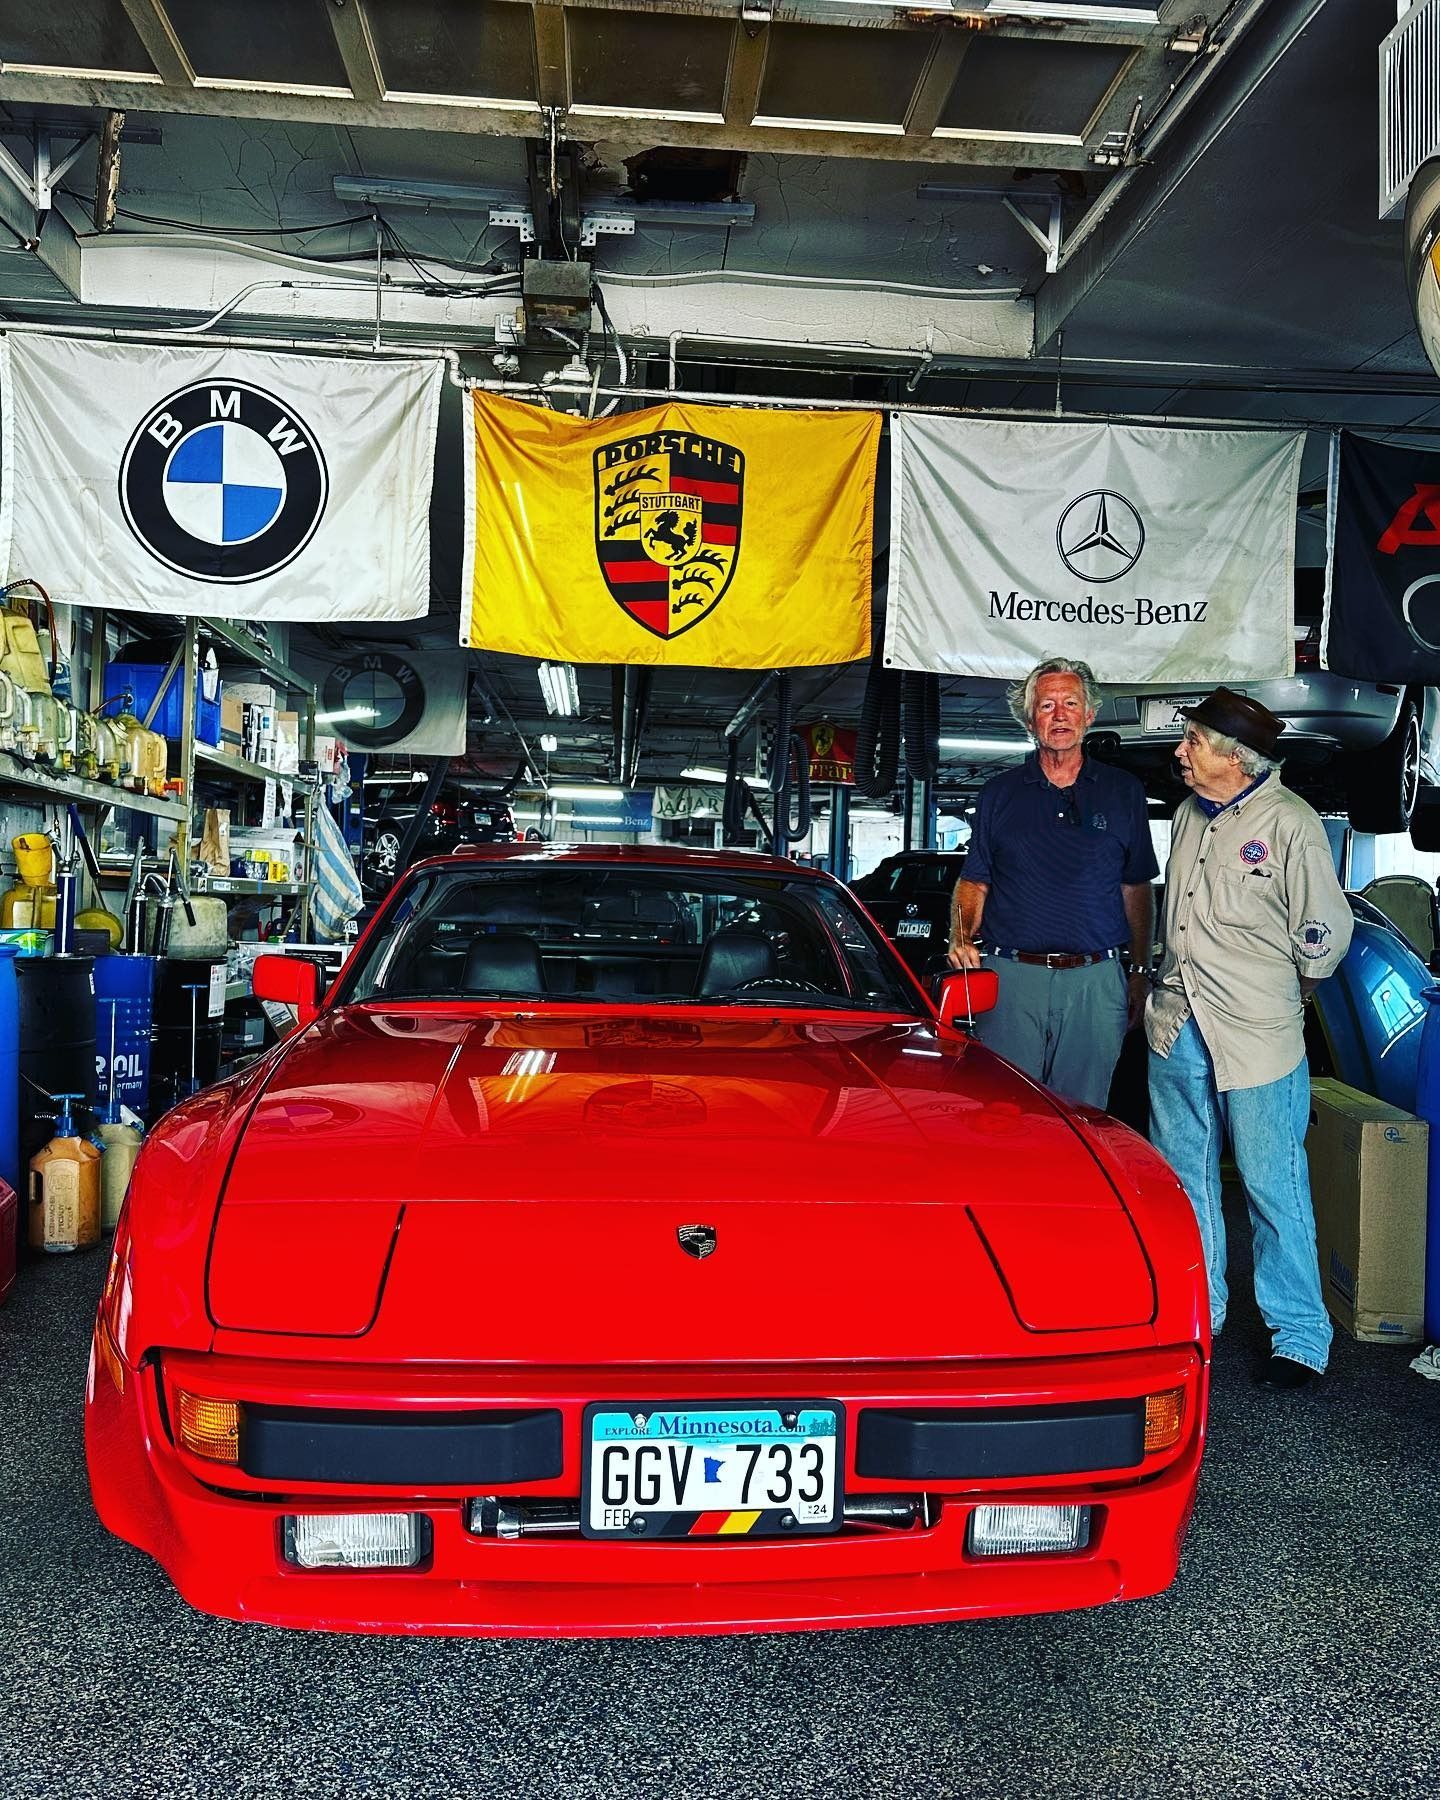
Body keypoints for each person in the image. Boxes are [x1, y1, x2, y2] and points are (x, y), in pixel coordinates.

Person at [1145, 687, 1352, 1392]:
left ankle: (1299, 1333)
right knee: (1185, 1180)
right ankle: (1204, 1310)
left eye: (1194, 742)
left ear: (1235, 757)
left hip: (1257, 1035)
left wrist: (1290, 992)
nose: (1182, 753)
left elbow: (1324, 931)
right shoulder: (1186, 816)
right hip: (1179, 1023)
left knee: (1273, 1184)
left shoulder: (1289, 823)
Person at [946, 658, 1157, 1109]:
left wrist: (1138, 973)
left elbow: (1136, 888)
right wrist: (960, 936)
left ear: (1089, 715)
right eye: (1046, 705)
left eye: (1070, 703)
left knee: (1084, 1114)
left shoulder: (1123, 792)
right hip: (1011, 978)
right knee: (1007, 1110)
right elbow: (974, 882)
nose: (1059, 715)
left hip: (1095, 980)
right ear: (1029, 719)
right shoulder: (999, 793)